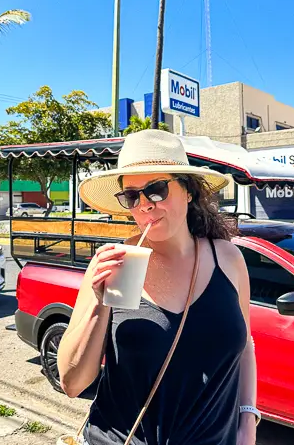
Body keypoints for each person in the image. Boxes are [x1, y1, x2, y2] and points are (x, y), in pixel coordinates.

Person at [58, 130, 258, 445]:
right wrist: (100, 303)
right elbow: (73, 383)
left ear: (189, 191)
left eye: (156, 190)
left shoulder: (228, 259)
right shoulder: (116, 264)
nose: (145, 206)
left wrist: (248, 422)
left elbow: (245, 344)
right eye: (132, 196)